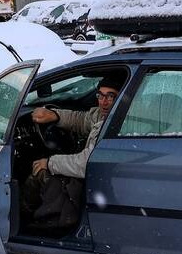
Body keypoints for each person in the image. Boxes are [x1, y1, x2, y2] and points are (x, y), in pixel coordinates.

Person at [21, 76, 122, 230]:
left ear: (121, 97)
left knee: (40, 172)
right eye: (100, 95)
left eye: (110, 96)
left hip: (100, 182)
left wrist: (49, 163)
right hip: (101, 179)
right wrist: (55, 115)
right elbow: (82, 120)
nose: (103, 101)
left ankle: (28, 222)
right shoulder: (104, 116)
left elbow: (86, 163)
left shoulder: (116, 123)